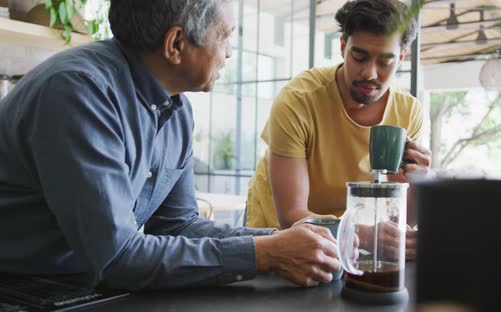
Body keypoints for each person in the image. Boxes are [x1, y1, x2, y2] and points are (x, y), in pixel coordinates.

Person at [0, 0, 340, 290]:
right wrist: (266, 253)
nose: (229, 52)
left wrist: (290, 238)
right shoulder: (78, 93)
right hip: (25, 285)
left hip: (88, 282)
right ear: (176, 43)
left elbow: (178, 225)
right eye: (225, 37)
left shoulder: (175, 110)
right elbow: (116, 257)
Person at [246, 0, 432, 259]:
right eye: (359, 57)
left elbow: (402, 217)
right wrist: (366, 234)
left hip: (348, 244)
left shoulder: (408, 111)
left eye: (385, 62)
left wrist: (418, 182)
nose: (369, 73)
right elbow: (291, 215)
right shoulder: (299, 100)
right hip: (277, 238)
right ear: (343, 46)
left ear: (400, 57)